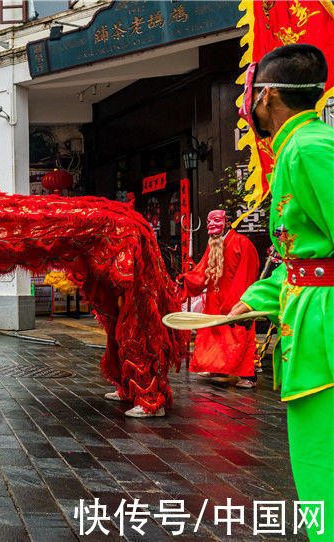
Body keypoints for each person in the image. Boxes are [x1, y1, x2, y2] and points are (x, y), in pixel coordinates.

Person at [227, 44, 333, 540]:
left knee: (320, 462)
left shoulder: (309, 148)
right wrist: (257, 299)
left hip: (324, 328)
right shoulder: (295, 147)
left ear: (266, 96)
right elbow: (301, 256)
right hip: (307, 319)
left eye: (247, 94)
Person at [177, 210, 260, 388]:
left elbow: (246, 275)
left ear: (228, 223)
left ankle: (248, 376)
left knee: (240, 334)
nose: (211, 225)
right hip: (215, 298)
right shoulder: (213, 244)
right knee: (213, 334)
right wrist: (187, 279)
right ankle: (215, 367)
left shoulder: (242, 243)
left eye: (216, 220)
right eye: (208, 221)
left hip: (236, 298)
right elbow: (202, 270)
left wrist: (237, 302)